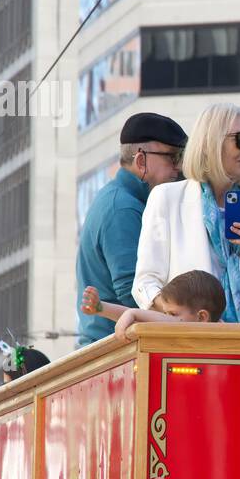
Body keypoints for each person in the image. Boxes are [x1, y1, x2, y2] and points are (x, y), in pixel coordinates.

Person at [133, 103, 240, 322]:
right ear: (209, 143)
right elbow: (145, 283)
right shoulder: (167, 198)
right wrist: (183, 318)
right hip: (191, 343)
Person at [76, 112, 188, 347]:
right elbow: (134, 292)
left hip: (114, 347)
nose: (178, 168)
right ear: (141, 161)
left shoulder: (120, 200)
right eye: (172, 157)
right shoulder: (123, 209)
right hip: (116, 350)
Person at [83, 270, 228, 341]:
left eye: (173, 314)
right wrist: (102, 308)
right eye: (166, 314)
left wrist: (134, 313)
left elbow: (144, 318)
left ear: (202, 317)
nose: (165, 319)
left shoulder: (222, 333)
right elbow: (151, 319)